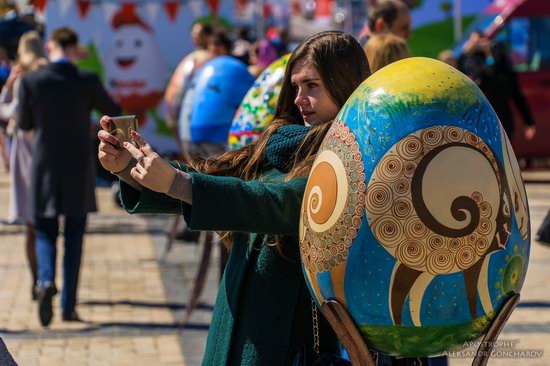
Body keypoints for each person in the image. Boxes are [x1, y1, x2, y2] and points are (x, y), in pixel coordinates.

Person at [98, 30, 371, 365]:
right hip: (234, 332)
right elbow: (213, 177)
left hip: (285, 346)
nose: (299, 98)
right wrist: (131, 167)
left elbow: (274, 203)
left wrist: (179, 183)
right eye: (296, 86)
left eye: (312, 85)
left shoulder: (352, 157)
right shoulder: (280, 143)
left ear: (342, 83)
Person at [17, 27, 121, 327]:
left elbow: (24, 123)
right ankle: (68, 307)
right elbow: (113, 110)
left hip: (44, 165)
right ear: (75, 48)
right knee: (75, 235)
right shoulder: (85, 79)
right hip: (78, 166)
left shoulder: (31, 80)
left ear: (50, 47)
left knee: (45, 231)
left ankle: (45, 279)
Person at [0, 30, 47, 300]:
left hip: (25, 153)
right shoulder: (48, 74)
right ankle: (47, 276)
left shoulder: (22, 77)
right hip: (49, 151)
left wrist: (7, 88)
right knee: (48, 224)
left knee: (32, 225)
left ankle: (37, 279)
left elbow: (9, 112)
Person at [458, 30, 536, 141]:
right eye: (475, 41)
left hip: (501, 116)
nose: (479, 44)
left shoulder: (499, 60)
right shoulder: (469, 60)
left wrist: (528, 121)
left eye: (482, 41)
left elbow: (515, 92)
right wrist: (467, 53)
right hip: (479, 117)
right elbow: (461, 75)